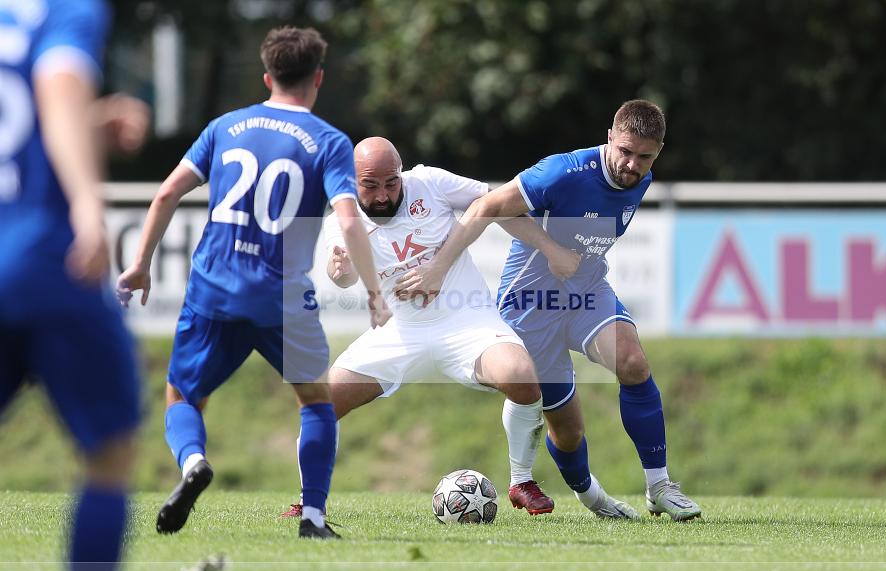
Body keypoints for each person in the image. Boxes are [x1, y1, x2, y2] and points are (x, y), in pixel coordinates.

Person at [117, 26, 390, 540]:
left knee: (181, 396)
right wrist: (374, 292)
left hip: (213, 289)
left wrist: (140, 263)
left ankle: (194, 462)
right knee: (316, 403)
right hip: (281, 297)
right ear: (318, 78)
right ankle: (312, 519)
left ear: (267, 76)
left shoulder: (224, 127)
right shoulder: (329, 142)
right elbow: (350, 220)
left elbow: (167, 194)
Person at [281, 137, 638, 519]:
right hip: (400, 331)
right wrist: (340, 271)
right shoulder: (342, 216)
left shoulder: (430, 183)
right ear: (352, 181)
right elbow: (343, 274)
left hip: (465, 321)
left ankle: (521, 480)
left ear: (401, 172)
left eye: (391, 182)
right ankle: (309, 502)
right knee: (319, 403)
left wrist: (550, 249)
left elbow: (497, 207)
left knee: (521, 375)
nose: (383, 194)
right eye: (370, 185)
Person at [394, 100, 702, 521]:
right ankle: (593, 497)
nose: (632, 165)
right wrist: (438, 268)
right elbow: (485, 206)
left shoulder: (639, 177)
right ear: (609, 137)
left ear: (659, 150)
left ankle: (660, 486)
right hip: (530, 306)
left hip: (586, 292)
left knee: (633, 363)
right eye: (625, 152)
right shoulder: (561, 172)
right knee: (569, 432)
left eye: (644, 156)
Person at [0, 0, 149, 571]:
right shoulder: (64, 8)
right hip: (46, 260)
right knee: (111, 450)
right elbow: (58, 83)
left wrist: (85, 126)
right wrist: (89, 201)